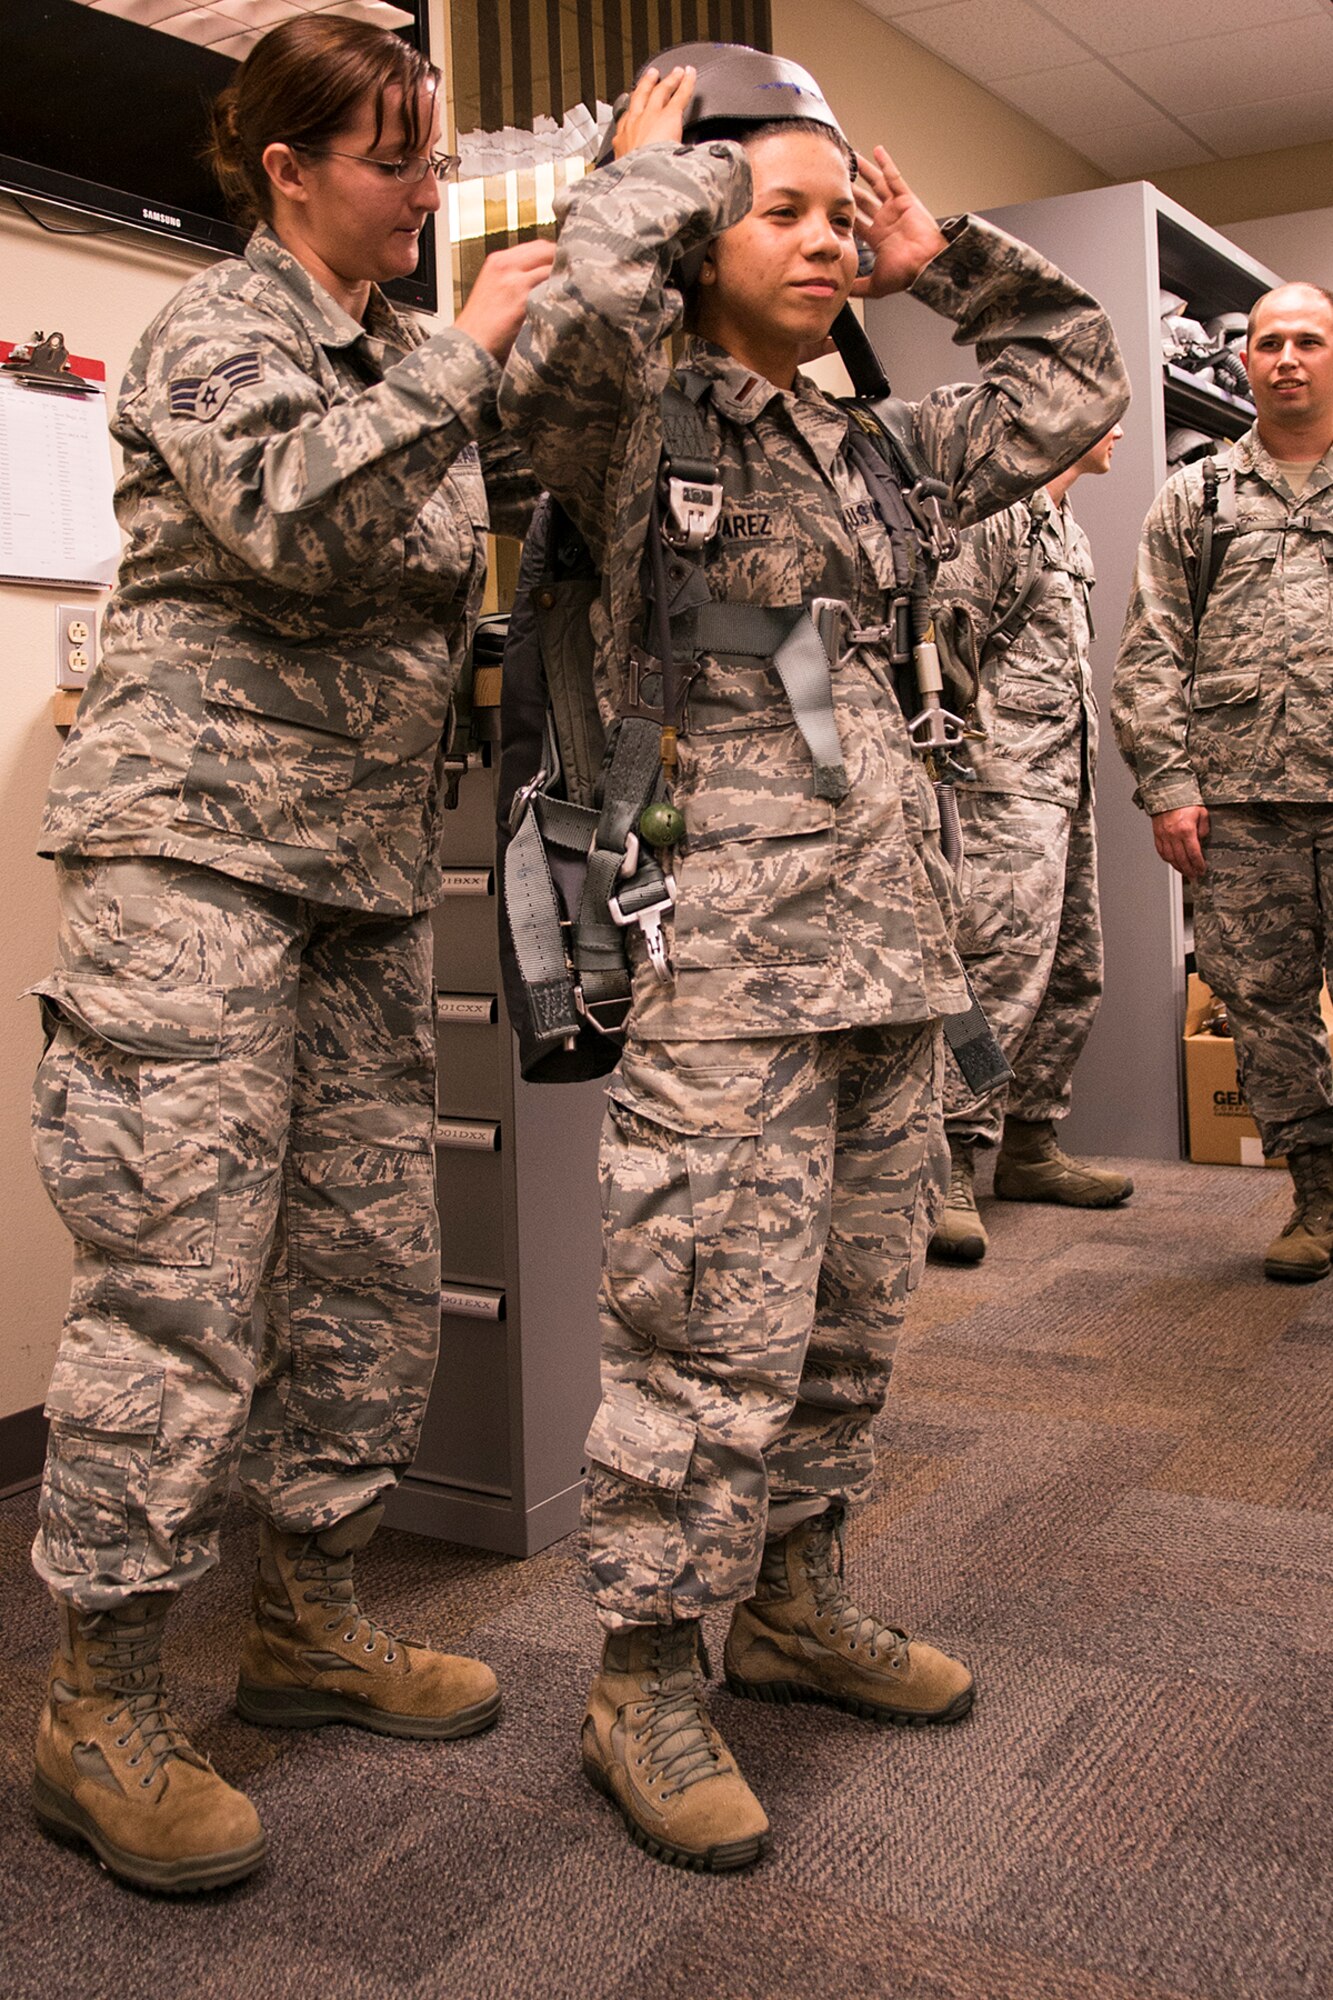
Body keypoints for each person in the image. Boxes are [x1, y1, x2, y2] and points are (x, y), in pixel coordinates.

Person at [500, 48, 1128, 1869]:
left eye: (832, 214)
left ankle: (791, 1602)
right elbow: (550, 353)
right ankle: (639, 1677)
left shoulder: (874, 452)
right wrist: (653, 186)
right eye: (777, 213)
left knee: (844, 1334)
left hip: (890, 960)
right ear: (694, 233)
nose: (820, 242)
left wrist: (944, 260)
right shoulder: (626, 427)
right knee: (700, 1339)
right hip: (725, 980)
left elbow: (1070, 379)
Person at [27, 14, 553, 1894]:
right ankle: (97, 1705)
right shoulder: (221, 329)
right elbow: (278, 513)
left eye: (434, 154)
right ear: (288, 169)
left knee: (360, 1265)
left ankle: (305, 1623)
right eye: (396, 158)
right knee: (174, 1277)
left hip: (351, 869)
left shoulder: (419, 355)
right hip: (192, 858)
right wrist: (465, 361)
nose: (430, 190)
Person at [1113, 281, 1333, 1283]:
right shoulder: (1197, 496)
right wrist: (1165, 782)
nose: (1287, 357)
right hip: (1242, 807)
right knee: (1262, 1005)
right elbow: (1152, 648)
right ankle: (1319, 1199)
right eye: (1269, 342)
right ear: (1243, 362)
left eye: (1309, 341)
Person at [929, 425, 1133, 1264]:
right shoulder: (993, 517)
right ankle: (945, 1156)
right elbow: (942, 646)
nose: (1115, 426)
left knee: (1073, 971)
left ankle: (1028, 1144)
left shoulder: (1065, 527)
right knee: (998, 975)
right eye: (1103, 410)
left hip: (1061, 781)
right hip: (998, 786)